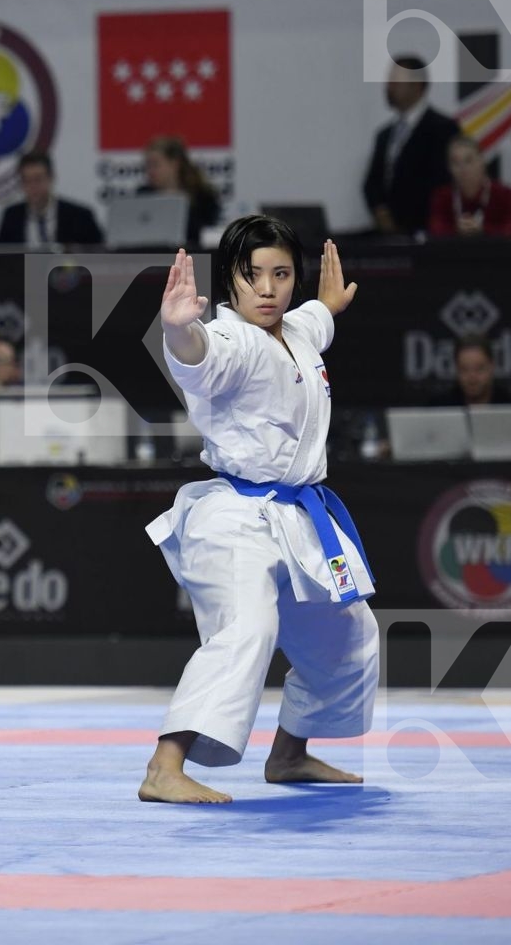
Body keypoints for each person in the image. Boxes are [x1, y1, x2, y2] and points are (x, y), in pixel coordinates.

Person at [140, 217, 376, 804]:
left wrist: (328, 304)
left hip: (297, 520)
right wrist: (177, 332)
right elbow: (200, 356)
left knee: (348, 633)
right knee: (247, 627)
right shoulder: (232, 340)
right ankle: (164, 766)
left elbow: (315, 321)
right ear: (231, 284)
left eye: (281, 274)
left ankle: (289, 754)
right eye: (253, 277)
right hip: (234, 518)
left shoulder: (295, 329)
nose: (267, 289)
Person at [364, 57, 460, 236]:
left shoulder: (443, 129)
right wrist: (380, 211)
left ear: (416, 85)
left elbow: (442, 181)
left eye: (395, 81)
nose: (389, 87)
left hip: (427, 233)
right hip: (387, 234)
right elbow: (372, 182)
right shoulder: (384, 135)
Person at [0, 153, 103, 247]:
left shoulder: (80, 217)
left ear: (51, 178)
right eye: (26, 180)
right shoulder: (12, 217)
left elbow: (99, 256)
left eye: (38, 179)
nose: (32, 186)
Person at [427, 136, 511, 240]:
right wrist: (457, 230)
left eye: (468, 160)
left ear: (481, 161)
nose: (462, 168)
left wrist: (483, 230)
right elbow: (435, 230)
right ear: (449, 167)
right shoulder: (442, 196)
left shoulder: (505, 194)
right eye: (455, 162)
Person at [139, 135, 222, 248]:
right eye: (148, 166)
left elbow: (206, 233)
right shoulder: (143, 195)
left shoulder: (203, 196)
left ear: (174, 164)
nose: (150, 171)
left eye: (155, 165)